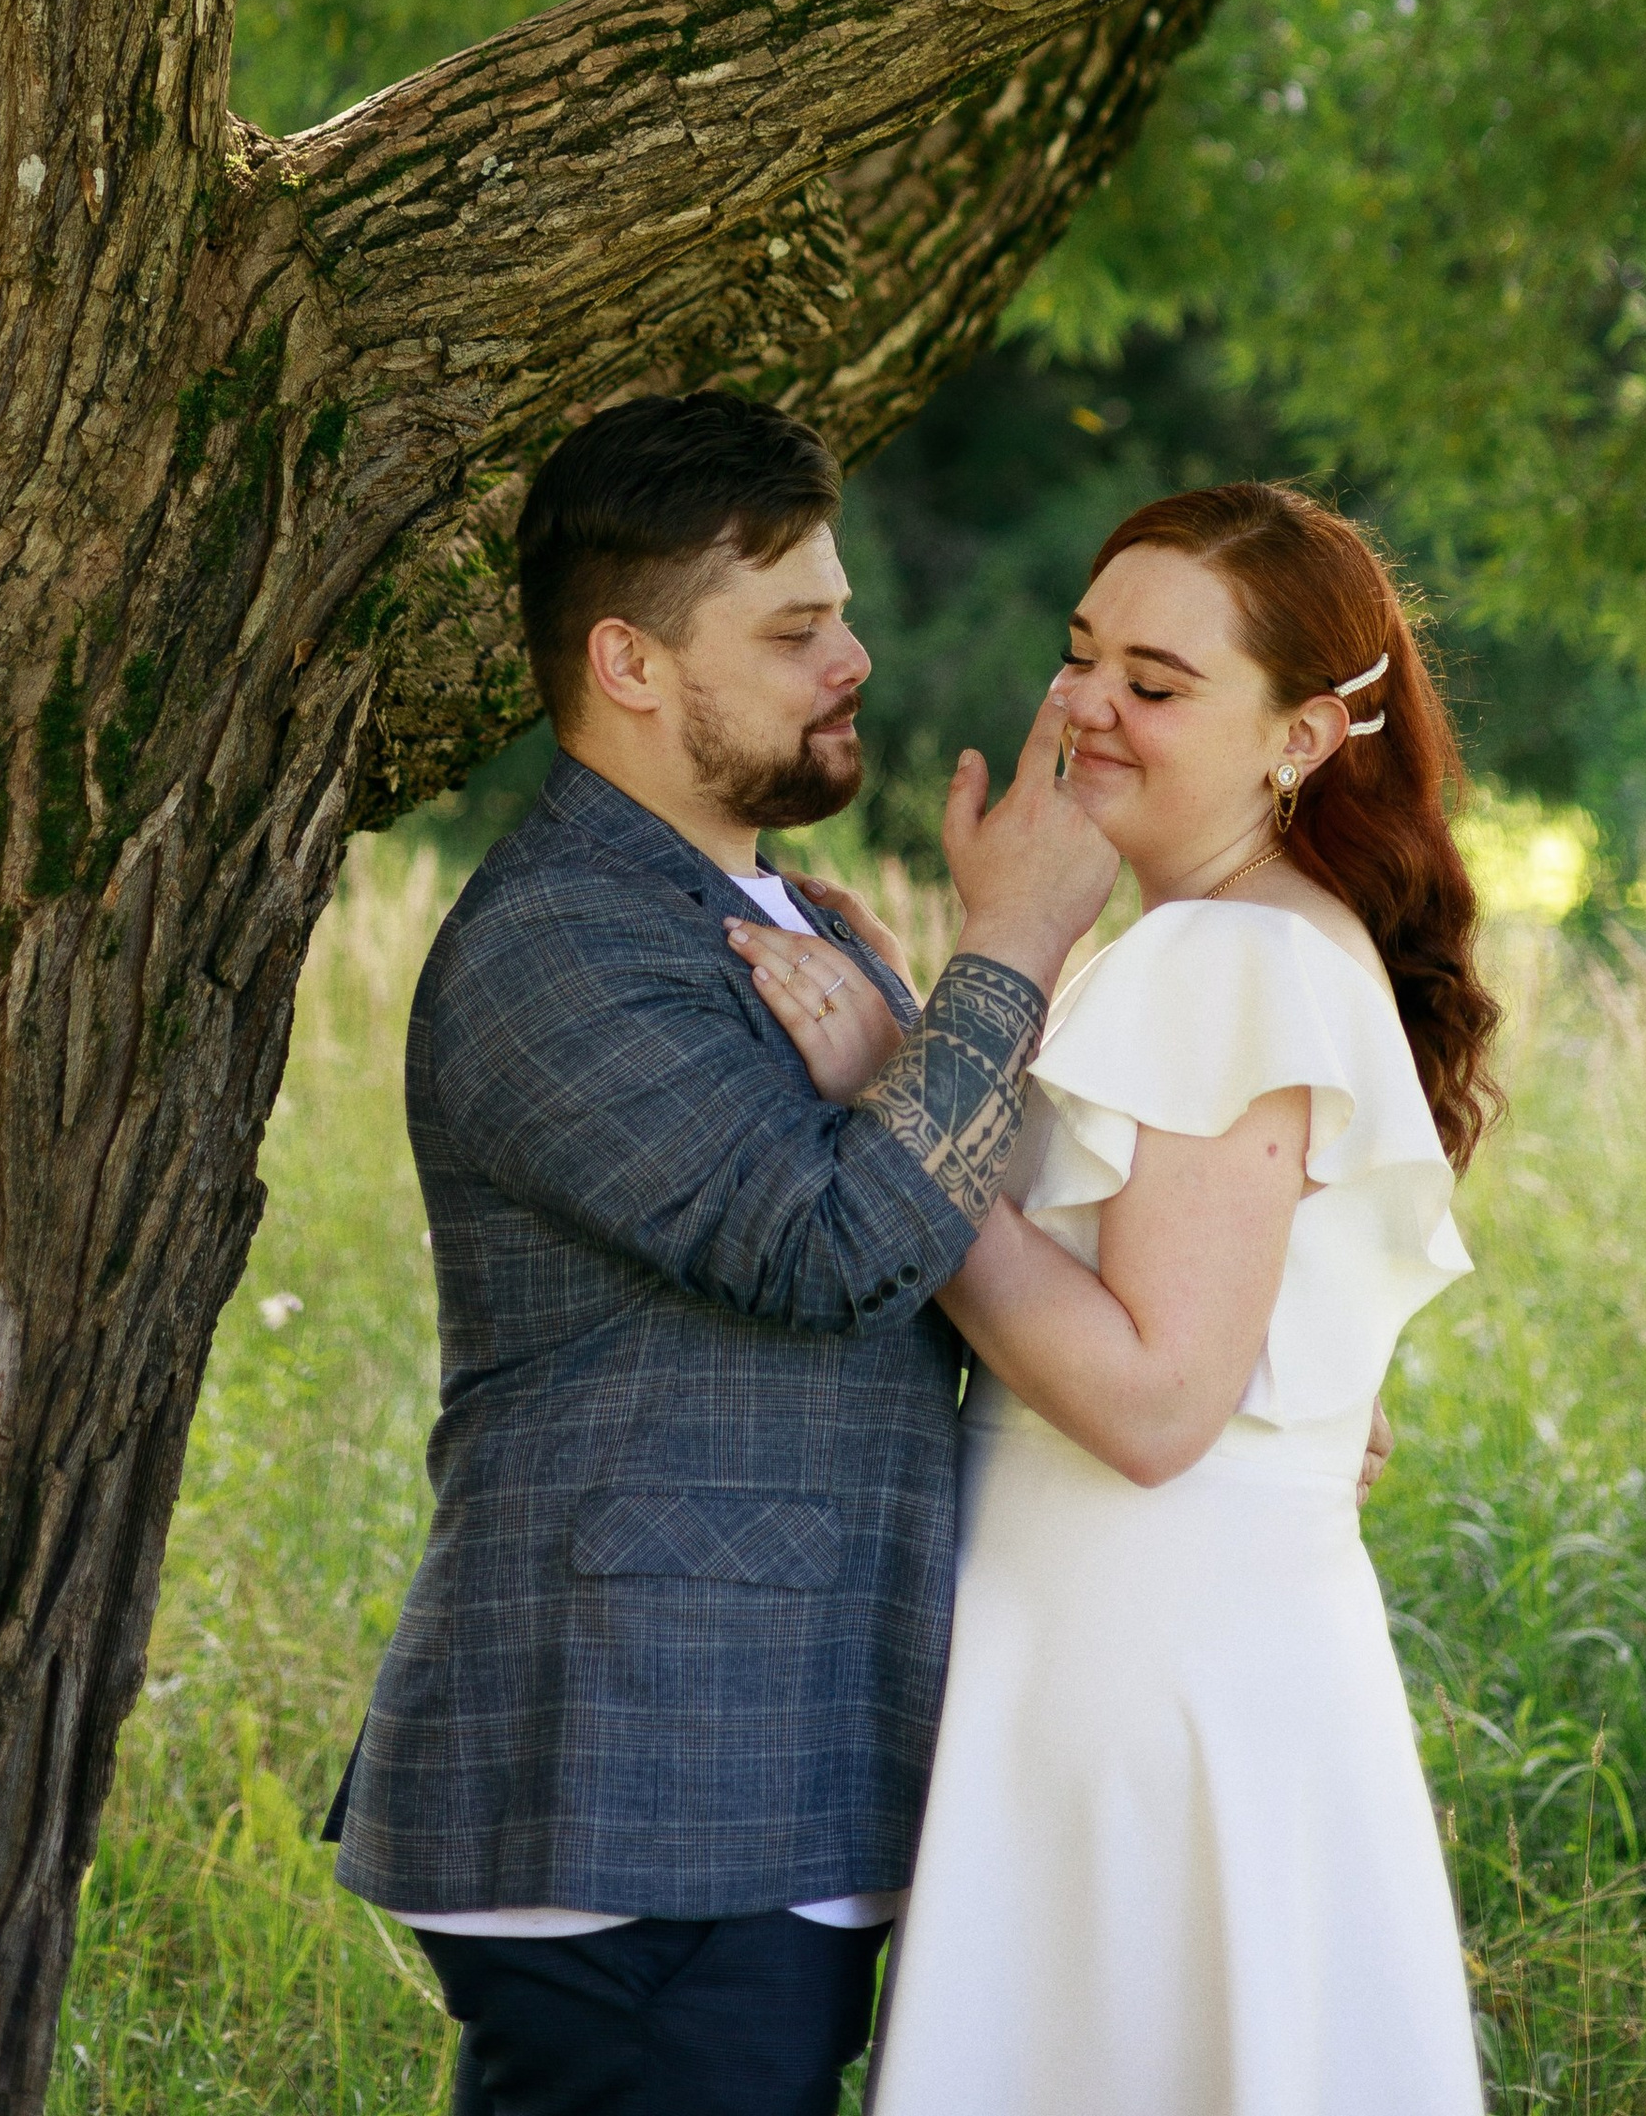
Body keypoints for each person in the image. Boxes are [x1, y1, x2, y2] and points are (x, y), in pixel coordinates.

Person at [325, 388, 1119, 2116]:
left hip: (776, 1776)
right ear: (629, 662)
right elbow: (838, 1246)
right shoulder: (558, 947)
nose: (851, 657)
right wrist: (1018, 942)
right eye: (793, 628)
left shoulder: (772, 911)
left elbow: (941, 1228)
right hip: (642, 1791)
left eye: (839, 611)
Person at [733, 480, 1502, 2116]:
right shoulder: (1206, 944)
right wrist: (955, 998)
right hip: (1145, 1653)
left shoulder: (1229, 960)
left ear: (1301, 738)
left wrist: (901, 1100)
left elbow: (1156, 1404)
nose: (1087, 702)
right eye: (1084, 653)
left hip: (1144, 1671)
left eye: (1158, 684)